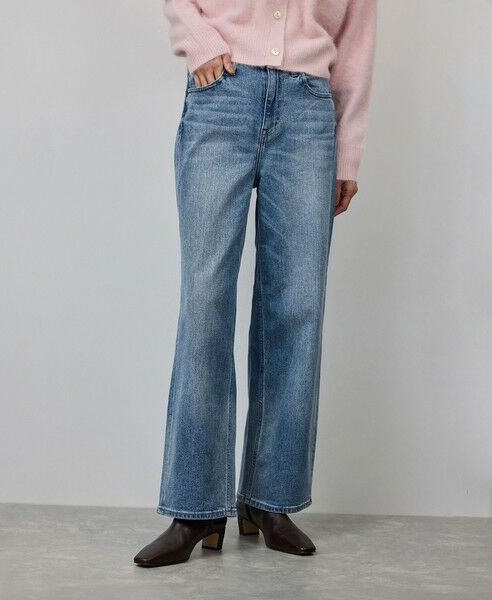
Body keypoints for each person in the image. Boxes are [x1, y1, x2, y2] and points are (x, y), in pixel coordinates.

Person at [134, 0, 377, 567]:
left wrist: (348, 152)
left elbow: (357, 37)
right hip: (222, 93)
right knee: (205, 302)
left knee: (296, 307)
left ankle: (270, 501)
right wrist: (199, 40)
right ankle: (195, 507)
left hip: (309, 112)